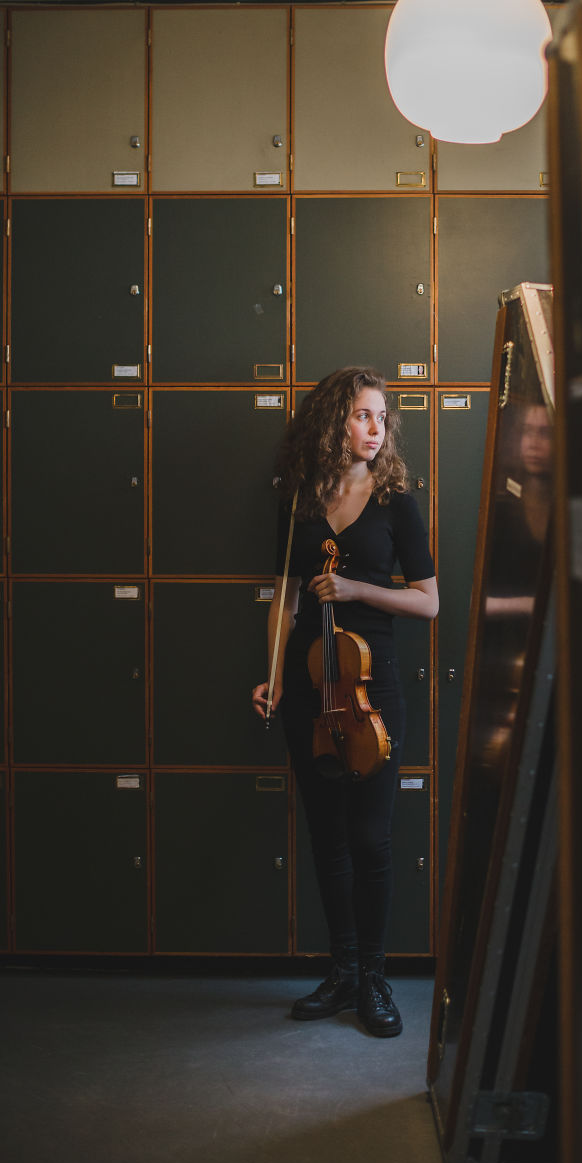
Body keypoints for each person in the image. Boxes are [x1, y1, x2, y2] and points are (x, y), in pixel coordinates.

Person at [252, 367, 438, 1038]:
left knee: (371, 838)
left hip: (371, 687)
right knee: (327, 837)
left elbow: (428, 600)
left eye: (381, 418)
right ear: (334, 422)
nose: (374, 429)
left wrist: (360, 591)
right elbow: (289, 595)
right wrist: (272, 672)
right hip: (307, 680)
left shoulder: (396, 503)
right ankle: (344, 972)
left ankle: (378, 979)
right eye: (362, 416)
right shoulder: (300, 498)